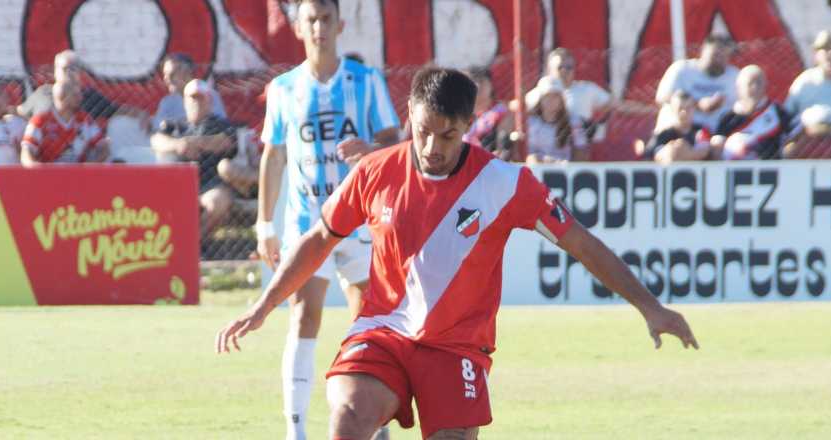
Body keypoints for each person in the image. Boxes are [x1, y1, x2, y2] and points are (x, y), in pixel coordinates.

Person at [216, 67, 698, 440]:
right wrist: (264, 306)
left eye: (448, 135)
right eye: (423, 130)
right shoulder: (374, 170)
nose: (432, 146)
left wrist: (649, 306)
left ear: (470, 124)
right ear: (410, 113)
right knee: (347, 417)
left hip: (457, 348)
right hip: (383, 332)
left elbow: (581, 242)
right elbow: (320, 238)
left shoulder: (506, 184)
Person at [254, 1, 401, 439]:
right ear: (298, 28)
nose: (318, 27)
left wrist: (369, 149)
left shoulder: (367, 81)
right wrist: (265, 225)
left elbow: (395, 146)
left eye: (325, 19)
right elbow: (274, 155)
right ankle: (295, 431)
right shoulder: (283, 88)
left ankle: (375, 425)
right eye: (310, 20)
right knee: (304, 317)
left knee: (368, 323)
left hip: (361, 223)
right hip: (308, 225)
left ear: (340, 24)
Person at [150, 79, 238, 237]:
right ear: (184, 101)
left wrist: (194, 143)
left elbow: (226, 141)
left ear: (209, 101)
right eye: (192, 98)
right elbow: (156, 140)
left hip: (211, 184)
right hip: (179, 186)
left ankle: (193, 244)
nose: (196, 102)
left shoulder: (219, 123)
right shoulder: (177, 125)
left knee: (217, 202)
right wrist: (178, 145)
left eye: (200, 98)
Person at [18, 50, 149, 125]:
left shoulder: (89, 96)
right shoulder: (43, 93)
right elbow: (21, 112)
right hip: (44, 154)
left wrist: (142, 115)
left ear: (80, 73)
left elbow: (116, 110)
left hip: (81, 156)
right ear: (55, 72)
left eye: (73, 69)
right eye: (64, 69)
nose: (68, 73)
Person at [655, 35, 738, 133]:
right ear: (703, 51)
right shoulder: (682, 69)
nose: (719, 60)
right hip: (677, 132)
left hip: (715, 135)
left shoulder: (734, 76)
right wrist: (697, 105)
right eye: (715, 55)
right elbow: (662, 98)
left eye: (724, 56)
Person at [711, 65, 791, 160]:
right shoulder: (727, 117)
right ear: (739, 87)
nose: (755, 87)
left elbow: (790, 141)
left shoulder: (778, 112)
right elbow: (716, 149)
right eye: (750, 83)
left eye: (759, 82)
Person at [20, 81, 109, 165]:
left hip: (79, 175)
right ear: (62, 97)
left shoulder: (84, 119)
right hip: (49, 174)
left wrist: (92, 165)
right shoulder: (40, 120)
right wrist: (36, 168)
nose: (81, 98)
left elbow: (103, 146)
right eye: (75, 95)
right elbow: (27, 151)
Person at [543, 47, 612, 143]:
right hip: (548, 143)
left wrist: (640, 109)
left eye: (569, 67)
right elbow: (523, 106)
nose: (565, 71)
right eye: (560, 67)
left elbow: (615, 104)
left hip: (578, 144)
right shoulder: (543, 90)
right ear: (550, 70)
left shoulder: (586, 89)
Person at [152, 53, 226, 130]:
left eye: (172, 74)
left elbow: (220, 127)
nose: (167, 79)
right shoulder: (167, 102)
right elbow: (158, 129)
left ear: (187, 72)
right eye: (165, 75)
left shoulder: (208, 95)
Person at [523, 78, 587, 164]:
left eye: (555, 96)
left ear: (562, 100)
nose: (551, 100)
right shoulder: (531, 122)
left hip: (564, 170)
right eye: (547, 96)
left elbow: (581, 149)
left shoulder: (573, 121)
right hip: (536, 169)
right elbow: (529, 156)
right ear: (540, 99)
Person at [643, 90, 711, 164]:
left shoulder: (701, 131)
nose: (684, 112)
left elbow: (705, 152)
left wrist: (682, 151)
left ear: (694, 109)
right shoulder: (663, 135)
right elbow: (650, 155)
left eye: (688, 108)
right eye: (680, 108)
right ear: (672, 110)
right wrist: (672, 150)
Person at [463, 67, 513, 160]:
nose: (478, 85)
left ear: (490, 85)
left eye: (482, 81)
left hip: (487, 162)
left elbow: (503, 147)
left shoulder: (500, 111)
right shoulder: (460, 113)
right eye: (474, 81)